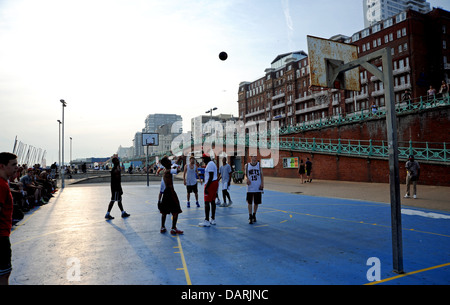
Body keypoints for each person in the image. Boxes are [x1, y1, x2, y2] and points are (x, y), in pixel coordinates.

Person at [0, 152, 18, 285]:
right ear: (2, 166)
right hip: (1, 237)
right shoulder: (1, 185)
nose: (16, 168)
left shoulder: (4, 184)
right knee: (4, 275)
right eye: (13, 165)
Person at [158, 156, 183, 235]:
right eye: (169, 161)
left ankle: (162, 227)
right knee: (176, 210)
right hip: (170, 192)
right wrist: (180, 164)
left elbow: (173, 166)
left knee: (164, 212)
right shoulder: (168, 171)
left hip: (166, 193)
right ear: (166, 163)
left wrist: (178, 160)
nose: (170, 161)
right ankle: (173, 228)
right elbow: (178, 170)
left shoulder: (165, 170)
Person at [199, 153, 219, 227]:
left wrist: (206, 187)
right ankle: (213, 219)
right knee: (212, 201)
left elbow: (210, 176)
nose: (202, 160)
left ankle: (207, 220)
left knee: (207, 202)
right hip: (214, 183)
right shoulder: (212, 163)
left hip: (211, 183)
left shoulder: (210, 164)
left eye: (203, 158)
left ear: (206, 158)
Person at [245, 154, 264, 224]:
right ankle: (250, 216)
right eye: (254, 156)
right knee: (250, 202)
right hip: (250, 187)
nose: (255, 158)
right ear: (251, 157)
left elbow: (262, 175)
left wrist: (262, 184)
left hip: (257, 186)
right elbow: (245, 175)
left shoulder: (259, 165)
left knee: (256, 202)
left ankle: (254, 215)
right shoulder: (247, 165)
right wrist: (246, 179)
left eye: (256, 156)